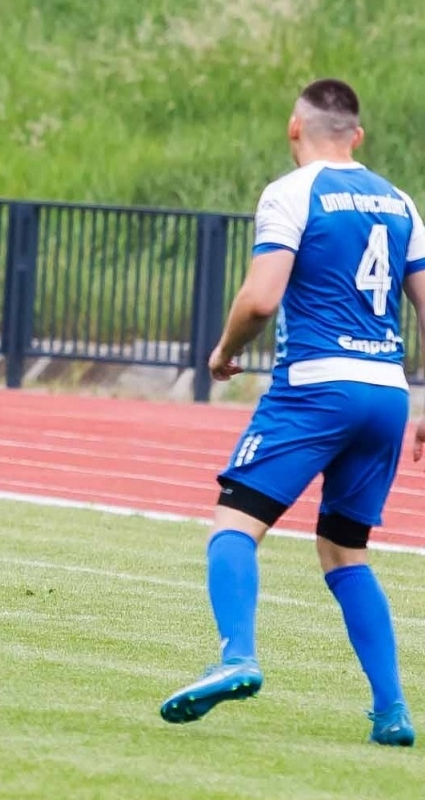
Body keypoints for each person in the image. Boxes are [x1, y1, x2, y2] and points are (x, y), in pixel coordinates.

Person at [159, 79, 417, 746]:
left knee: (236, 522)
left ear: (293, 128)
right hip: (387, 393)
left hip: (316, 387)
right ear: (357, 135)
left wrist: (223, 350)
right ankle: (391, 712)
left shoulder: (291, 193)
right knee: (344, 549)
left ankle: (237, 655)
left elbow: (261, 299)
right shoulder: (401, 202)